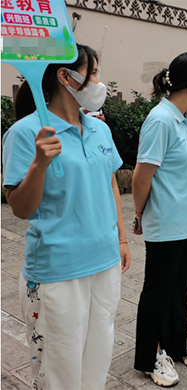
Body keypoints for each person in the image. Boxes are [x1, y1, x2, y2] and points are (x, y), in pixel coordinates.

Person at [2, 44, 131, 390]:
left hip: (104, 263)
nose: (100, 83)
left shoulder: (100, 129)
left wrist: (120, 237)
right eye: (95, 73)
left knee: (97, 357)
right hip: (58, 270)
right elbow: (20, 208)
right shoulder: (27, 133)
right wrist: (39, 165)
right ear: (66, 77)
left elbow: (111, 184)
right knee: (58, 368)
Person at [132, 52, 187, 387]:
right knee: (159, 292)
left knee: (179, 290)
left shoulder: (183, 119)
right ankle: (151, 356)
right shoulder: (161, 120)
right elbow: (140, 177)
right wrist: (139, 213)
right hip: (166, 223)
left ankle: (178, 342)